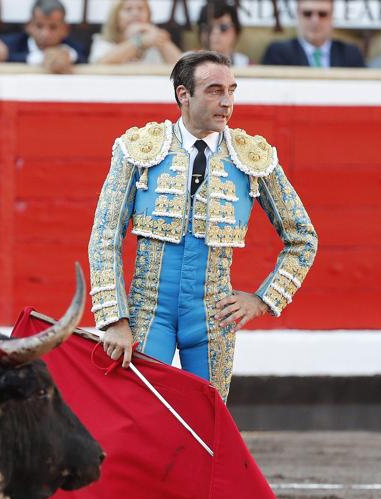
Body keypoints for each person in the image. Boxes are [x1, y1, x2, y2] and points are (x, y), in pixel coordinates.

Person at [88, 51, 318, 401]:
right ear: (184, 94)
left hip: (213, 317)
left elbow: (303, 238)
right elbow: (105, 236)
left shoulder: (252, 157)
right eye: (214, 90)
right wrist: (114, 319)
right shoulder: (138, 150)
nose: (227, 102)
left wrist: (263, 300)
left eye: (232, 90)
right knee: (142, 416)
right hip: (148, 312)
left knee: (207, 427)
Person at [0, 0, 88, 74]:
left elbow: (82, 57)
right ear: (28, 26)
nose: (45, 34)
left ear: (65, 29)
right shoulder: (14, 43)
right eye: (39, 26)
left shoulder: (75, 47)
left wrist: (67, 57)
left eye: (53, 27)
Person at [262, 0, 364, 67]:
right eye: (307, 14)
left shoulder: (350, 54)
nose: (315, 20)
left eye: (322, 14)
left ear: (332, 17)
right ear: (298, 15)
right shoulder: (278, 53)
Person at [90, 0, 183, 66]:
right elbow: (100, 64)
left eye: (140, 9)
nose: (135, 13)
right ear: (115, 17)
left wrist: (159, 37)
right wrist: (139, 41)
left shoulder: (153, 38)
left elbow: (184, 68)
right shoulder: (104, 41)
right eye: (128, 9)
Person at [197, 0, 249, 67]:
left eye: (223, 27)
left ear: (236, 31)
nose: (215, 32)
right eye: (209, 27)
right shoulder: (185, 62)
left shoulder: (246, 64)